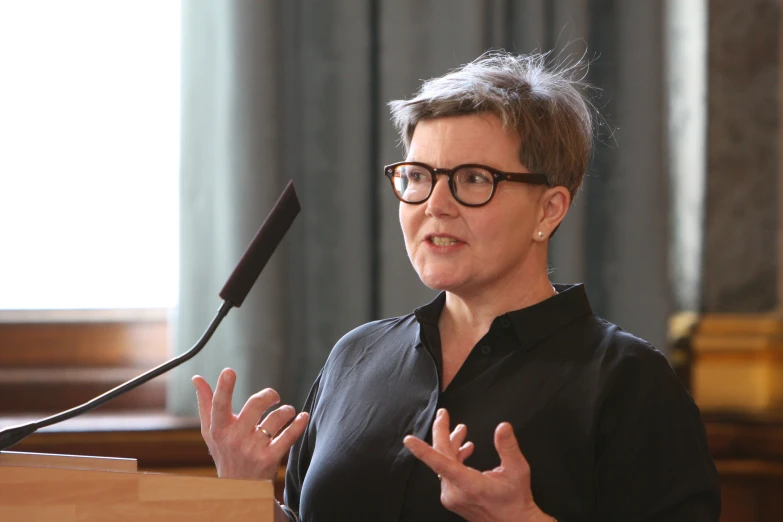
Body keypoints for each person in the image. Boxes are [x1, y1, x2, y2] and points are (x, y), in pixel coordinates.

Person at [192, 51, 721, 522]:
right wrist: (247, 498)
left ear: (550, 208)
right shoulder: (357, 357)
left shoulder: (628, 382)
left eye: (473, 179)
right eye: (418, 176)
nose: (434, 205)